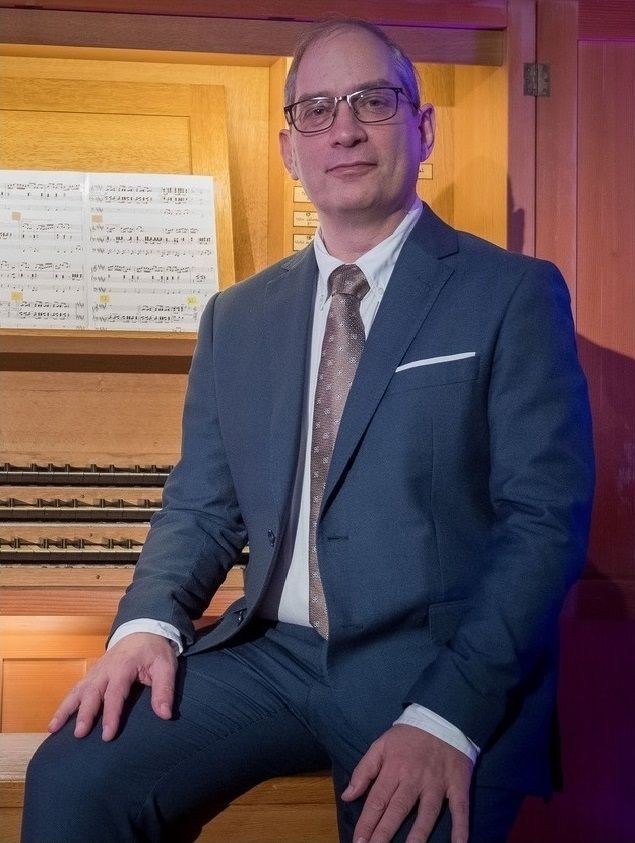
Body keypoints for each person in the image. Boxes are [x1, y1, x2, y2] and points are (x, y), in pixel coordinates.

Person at [23, 19, 594, 843]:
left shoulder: (510, 293)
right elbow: (201, 504)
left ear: (422, 128)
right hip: (272, 654)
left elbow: (543, 524)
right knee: (75, 775)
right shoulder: (238, 313)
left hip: (429, 664)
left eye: (373, 101)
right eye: (317, 110)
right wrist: (145, 623)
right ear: (291, 148)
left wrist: (448, 714)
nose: (346, 129)